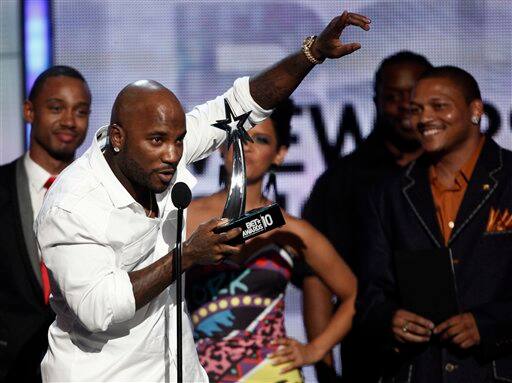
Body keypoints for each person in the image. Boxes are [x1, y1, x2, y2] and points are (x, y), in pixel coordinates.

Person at [34, 11, 370, 382]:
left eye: (180, 140)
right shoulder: (72, 205)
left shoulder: (155, 154)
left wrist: (311, 55)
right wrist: (188, 254)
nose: (174, 155)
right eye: (159, 141)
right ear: (118, 137)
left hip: (178, 371)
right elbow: (99, 309)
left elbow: (238, 105)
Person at [358, 66, 512, 382]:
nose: (424, 118)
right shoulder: (390, 194)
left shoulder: (509, 178)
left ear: (475, 110)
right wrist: (390, 319)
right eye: (417, 110)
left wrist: (487, 324)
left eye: (439, 106)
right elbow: (370, 294)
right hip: (419, 371)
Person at [185, 99, 357, 382]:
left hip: (275, 373)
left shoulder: (291, 229)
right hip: (203, 373)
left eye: (262, 139)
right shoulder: (188, 218)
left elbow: (355, 294)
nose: (248, 146)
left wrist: (314, 350)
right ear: (220, 145)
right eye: (240, 136)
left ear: (280, 154)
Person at [300, 51, 432, 381]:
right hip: (370, 358)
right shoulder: (341, 182)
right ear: (375, 100)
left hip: (450, 356)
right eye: (393, 96)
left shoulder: (456, 174)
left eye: (415, 95)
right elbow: (316, 280)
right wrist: (324, 367)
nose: (405, 106)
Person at [0, 66, 91, 382]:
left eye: (80, 111)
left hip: (85, 368)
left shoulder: (102, 195)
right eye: (56, 108)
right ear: (29, 111)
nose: (69, 121)